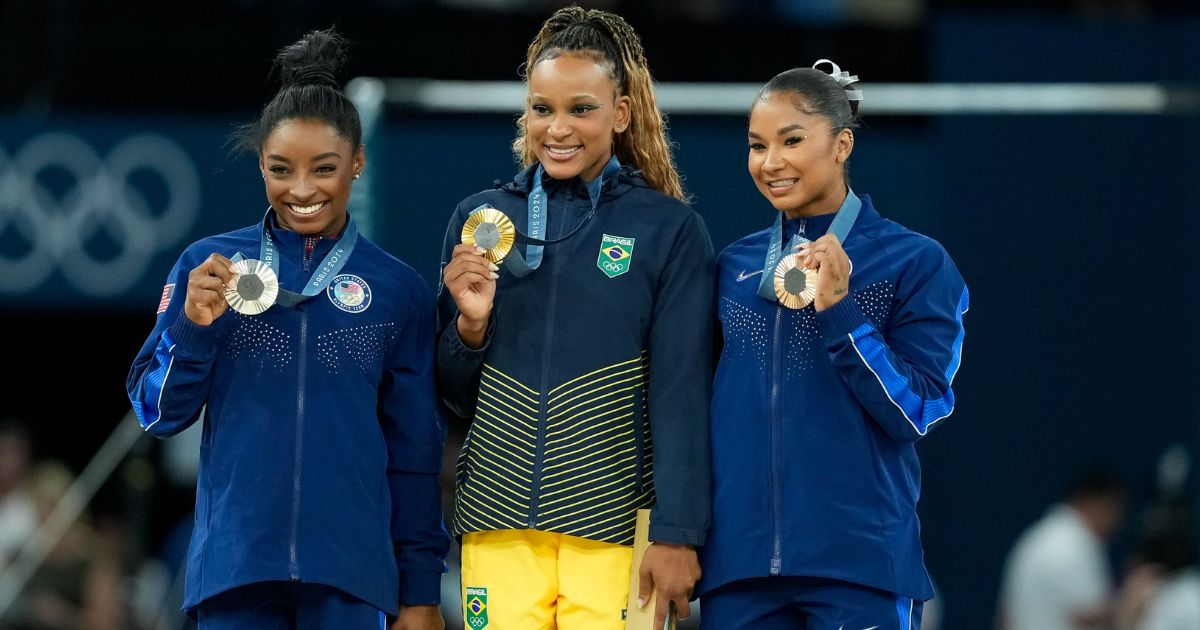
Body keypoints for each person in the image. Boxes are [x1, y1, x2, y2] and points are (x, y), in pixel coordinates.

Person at [126, 27, 447, 629]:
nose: (301, 190)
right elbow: (158, 413)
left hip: (352, 576)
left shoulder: (397, 288)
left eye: (324, 168)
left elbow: (414, 452)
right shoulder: (210, 268)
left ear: (358, 163)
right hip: (234, 569)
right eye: (280, 169)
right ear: (261, 165)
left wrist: (422, 588)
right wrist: (194, 329)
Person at [437, 6, 713, 628]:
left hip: (615, 525)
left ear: (620, 113)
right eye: (542, 108)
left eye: (581, 109)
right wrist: (469, 331)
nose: (557, 128)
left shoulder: (668, 230)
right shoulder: (479, 221)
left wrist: (677, 532)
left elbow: (682, 394)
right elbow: (454, 398)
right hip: (497, 521)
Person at [698, 60, 969, 630]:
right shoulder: (733, 268)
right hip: (740, 571)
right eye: (756, 145)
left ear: (842, 143)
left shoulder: (914, 262)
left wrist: (840, 311)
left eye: (791, 140)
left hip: (859, 566)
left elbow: (918, 408)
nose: (770, 163)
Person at [998, 465, 1126, 630]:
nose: (1118, 523)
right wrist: (1133, 602)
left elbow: (1004, 617)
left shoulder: (1036, 538)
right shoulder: (1076, 544)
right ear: (1097, 503)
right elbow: (1087, 615)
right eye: (1116, 511)